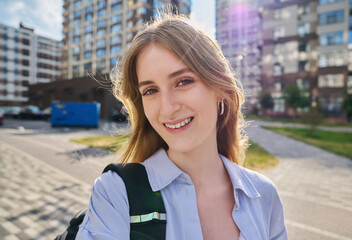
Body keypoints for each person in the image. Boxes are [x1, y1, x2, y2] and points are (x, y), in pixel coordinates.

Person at [76, 10, 287, 240]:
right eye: (151, 90)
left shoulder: (264, 195)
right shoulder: (116, 193)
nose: (167, 108)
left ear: (220, 89)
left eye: (183, 81)